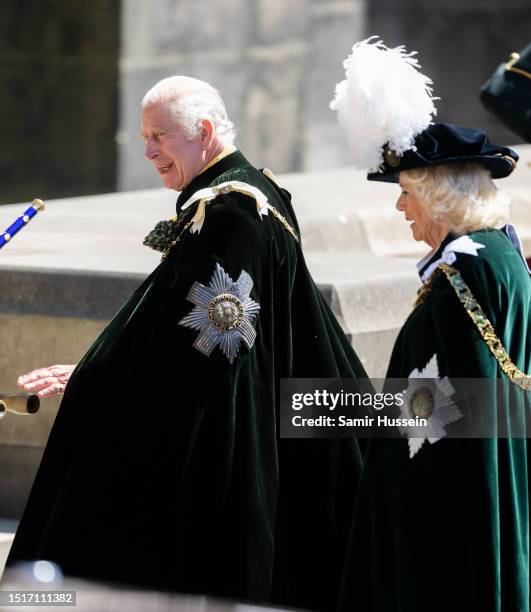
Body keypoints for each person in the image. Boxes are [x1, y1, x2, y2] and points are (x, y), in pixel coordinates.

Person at [6, 76, 367, 611]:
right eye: (144, 136)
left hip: (217, 438)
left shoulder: (232, 209)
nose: (149, 151)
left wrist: (98, 378)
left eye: (159, 135)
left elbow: (211, 348)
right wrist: (92, 365)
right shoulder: (248, 189)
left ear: (202, 131)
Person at [331, 39, 531, 611]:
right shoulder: (497, 253)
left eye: (406, 194)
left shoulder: (462, 271)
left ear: (437, 197)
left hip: (450, 493)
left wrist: (321, 409)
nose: (400, 210)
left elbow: (451, 402)